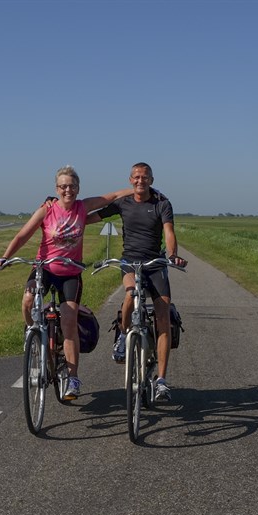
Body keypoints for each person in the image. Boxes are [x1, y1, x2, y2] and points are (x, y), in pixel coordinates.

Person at [0, 166, 131, 401]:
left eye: (72, 185)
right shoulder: (47, 210)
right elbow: (23, 235)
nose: (68, 189)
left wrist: (142, 189)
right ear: (57, 189)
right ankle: (32, 333)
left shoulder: (83, 207)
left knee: (69, 321)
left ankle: (73, 377)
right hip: (43, 269)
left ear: (78, 188)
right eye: (63, 186)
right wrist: (5, 256)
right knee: (27, 301)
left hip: (70, 273)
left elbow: (113, 196)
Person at [90, 162, 187, 402]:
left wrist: (172, 253)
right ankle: (124, 336)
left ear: (151, 180)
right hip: (130, 262)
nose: (140, 180)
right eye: (136, 177)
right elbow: (94, 215)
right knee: (131, 295)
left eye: (144, 177)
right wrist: (64, 214)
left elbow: (169, 231)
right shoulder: (122, 203)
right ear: (130, 179)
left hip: (155, 264)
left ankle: (162, 380)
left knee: (163, 316)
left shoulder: (162, 203)